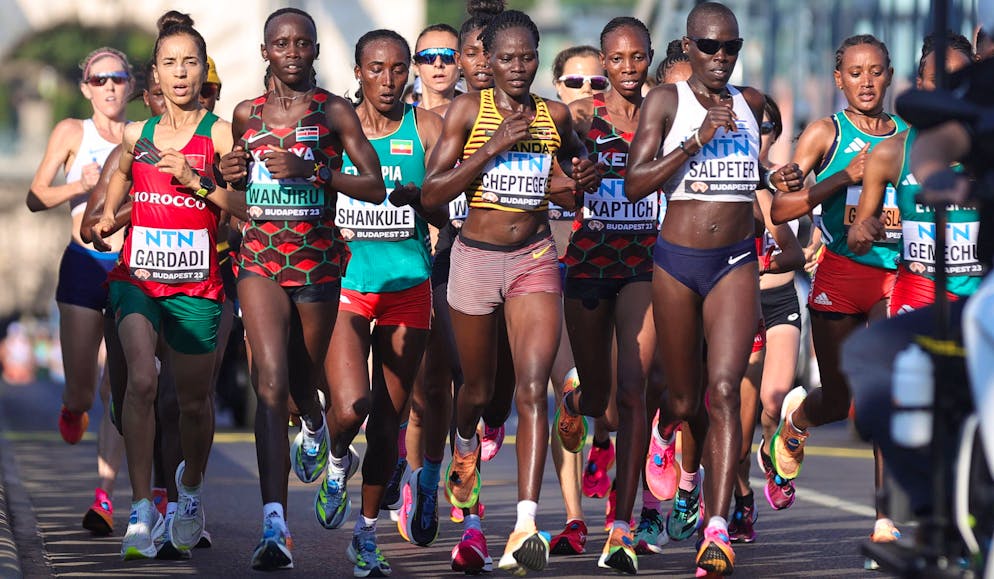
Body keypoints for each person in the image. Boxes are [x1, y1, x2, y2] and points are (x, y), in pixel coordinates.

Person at [625, 3, 801, 575]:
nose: (720, 57)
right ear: (689, 44)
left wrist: (781, 179)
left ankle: (716, 528)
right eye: (708, 46)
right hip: (677, 264)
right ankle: (675, 444)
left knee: (725, 390)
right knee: (682, 398)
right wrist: (694, 141)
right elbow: (633, 184)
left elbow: (760, 176)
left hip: (733, 264)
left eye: (730, 47)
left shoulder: (752, 105)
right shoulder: (666, 102)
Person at [422, 9, 598, 575]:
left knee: (532, 388)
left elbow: (571, 180)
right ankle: (465, 445)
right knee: (476, 390)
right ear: (489, 62)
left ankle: (525, 522)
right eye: (506, 58)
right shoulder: (469, 111)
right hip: (474, 260)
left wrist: (580, 181)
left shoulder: (554, 115)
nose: (518, 68)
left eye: (527, 58)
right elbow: (432, 194)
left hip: (534, 258)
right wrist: (493, 146)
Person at [217, 7, 385, 571]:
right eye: (281, 43)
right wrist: (231, 172)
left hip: (316, 265)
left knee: (302, 382)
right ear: (266, 52)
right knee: (269, 382)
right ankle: (275, 524)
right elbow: (231, 182)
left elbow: (375, 184)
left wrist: (312, 173)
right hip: (260, 259)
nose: (292, 51)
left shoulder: (333, 111)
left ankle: (314, 424)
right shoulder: (246, 113)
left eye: (302, 43)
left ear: (315, 50)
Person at [91, 11, 245, 560]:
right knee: (141, 383)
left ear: (204, 71)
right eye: (170, 64)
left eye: (190, 63)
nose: (180, 74)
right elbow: (123, 173)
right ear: (154, 74)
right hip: (138, 280)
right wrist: (110, 216)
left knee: (195, 405)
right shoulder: (139, 132)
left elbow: (243, 208)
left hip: (197, 287)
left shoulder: (221, 133)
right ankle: (139, 509)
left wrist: (196, 181)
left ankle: (192, 491)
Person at [769, 34, 908, 545]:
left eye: (875, 72)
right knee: (841, 399)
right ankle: (797, 420)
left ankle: (883, 519)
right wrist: (840, 177)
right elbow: (782, 209)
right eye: (855, 73)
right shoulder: (825, 132)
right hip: (840, 275)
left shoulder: (908, 136)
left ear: (890, 75)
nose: (866, 82)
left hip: (895, 275)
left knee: (885, 389)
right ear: (838, 79)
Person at [321, 28, 443, 577]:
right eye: (376, 69)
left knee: (389, 419)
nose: (389, 80)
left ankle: (365, 534)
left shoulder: (429, 128)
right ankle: (334, 457)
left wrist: (425, 201)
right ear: (357, 72)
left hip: (409, 287)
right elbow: (304, 195)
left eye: (399, 69)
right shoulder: (330, 129)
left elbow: (451, 211)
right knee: (350, 409)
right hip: (348, 287)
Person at [401, 3, 509, 572]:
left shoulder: (510, 115)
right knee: (433, 391)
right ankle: (426, 482)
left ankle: (467, 510)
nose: (450, 65)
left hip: (504, 264)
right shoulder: (419, 123)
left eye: (458, 55)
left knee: (481, 389)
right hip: (437, 264)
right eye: (439, 56)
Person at [552, 16, 657, 574]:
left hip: (645, 263)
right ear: (604, 63)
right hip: (589, 263)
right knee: (599, 401)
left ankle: (621, 524)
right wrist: (573, 185)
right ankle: (574, 405)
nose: (626, 69)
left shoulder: (666, 114)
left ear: (649, 56)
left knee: (634, 391)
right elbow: (546, 185)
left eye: (636, 57)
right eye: (615, 60)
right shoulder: (576, 122)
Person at [26, 46, 133, 536]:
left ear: (131, 84)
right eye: (99, 79)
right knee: (84, 389)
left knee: (118, 385)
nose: (109, 87)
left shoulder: (141, 135)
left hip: (131, 267)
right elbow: (34, 196)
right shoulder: (73, 132)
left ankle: (104, 499)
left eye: (117, 77)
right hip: (84, 265)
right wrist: (80, 187)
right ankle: (72, 406)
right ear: (86, 87)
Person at [729, 95, 805, 544]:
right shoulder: (722, 177)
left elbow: (795, 249)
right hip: (734, 308)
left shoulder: (782, 180)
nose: (759, 133)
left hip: (778, 306)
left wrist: (763, 264)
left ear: (774, 133)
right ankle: (740, 497)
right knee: (734, 420)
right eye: (751, 125)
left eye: (766, 126)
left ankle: (775, 456)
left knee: (774, 403)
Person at [412, 23, 462, 111]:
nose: (438, 64)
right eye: (428, 56)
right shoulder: (401, 119)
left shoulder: (474, 117)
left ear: (461, 63)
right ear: (416, 67)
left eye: (448, 56)